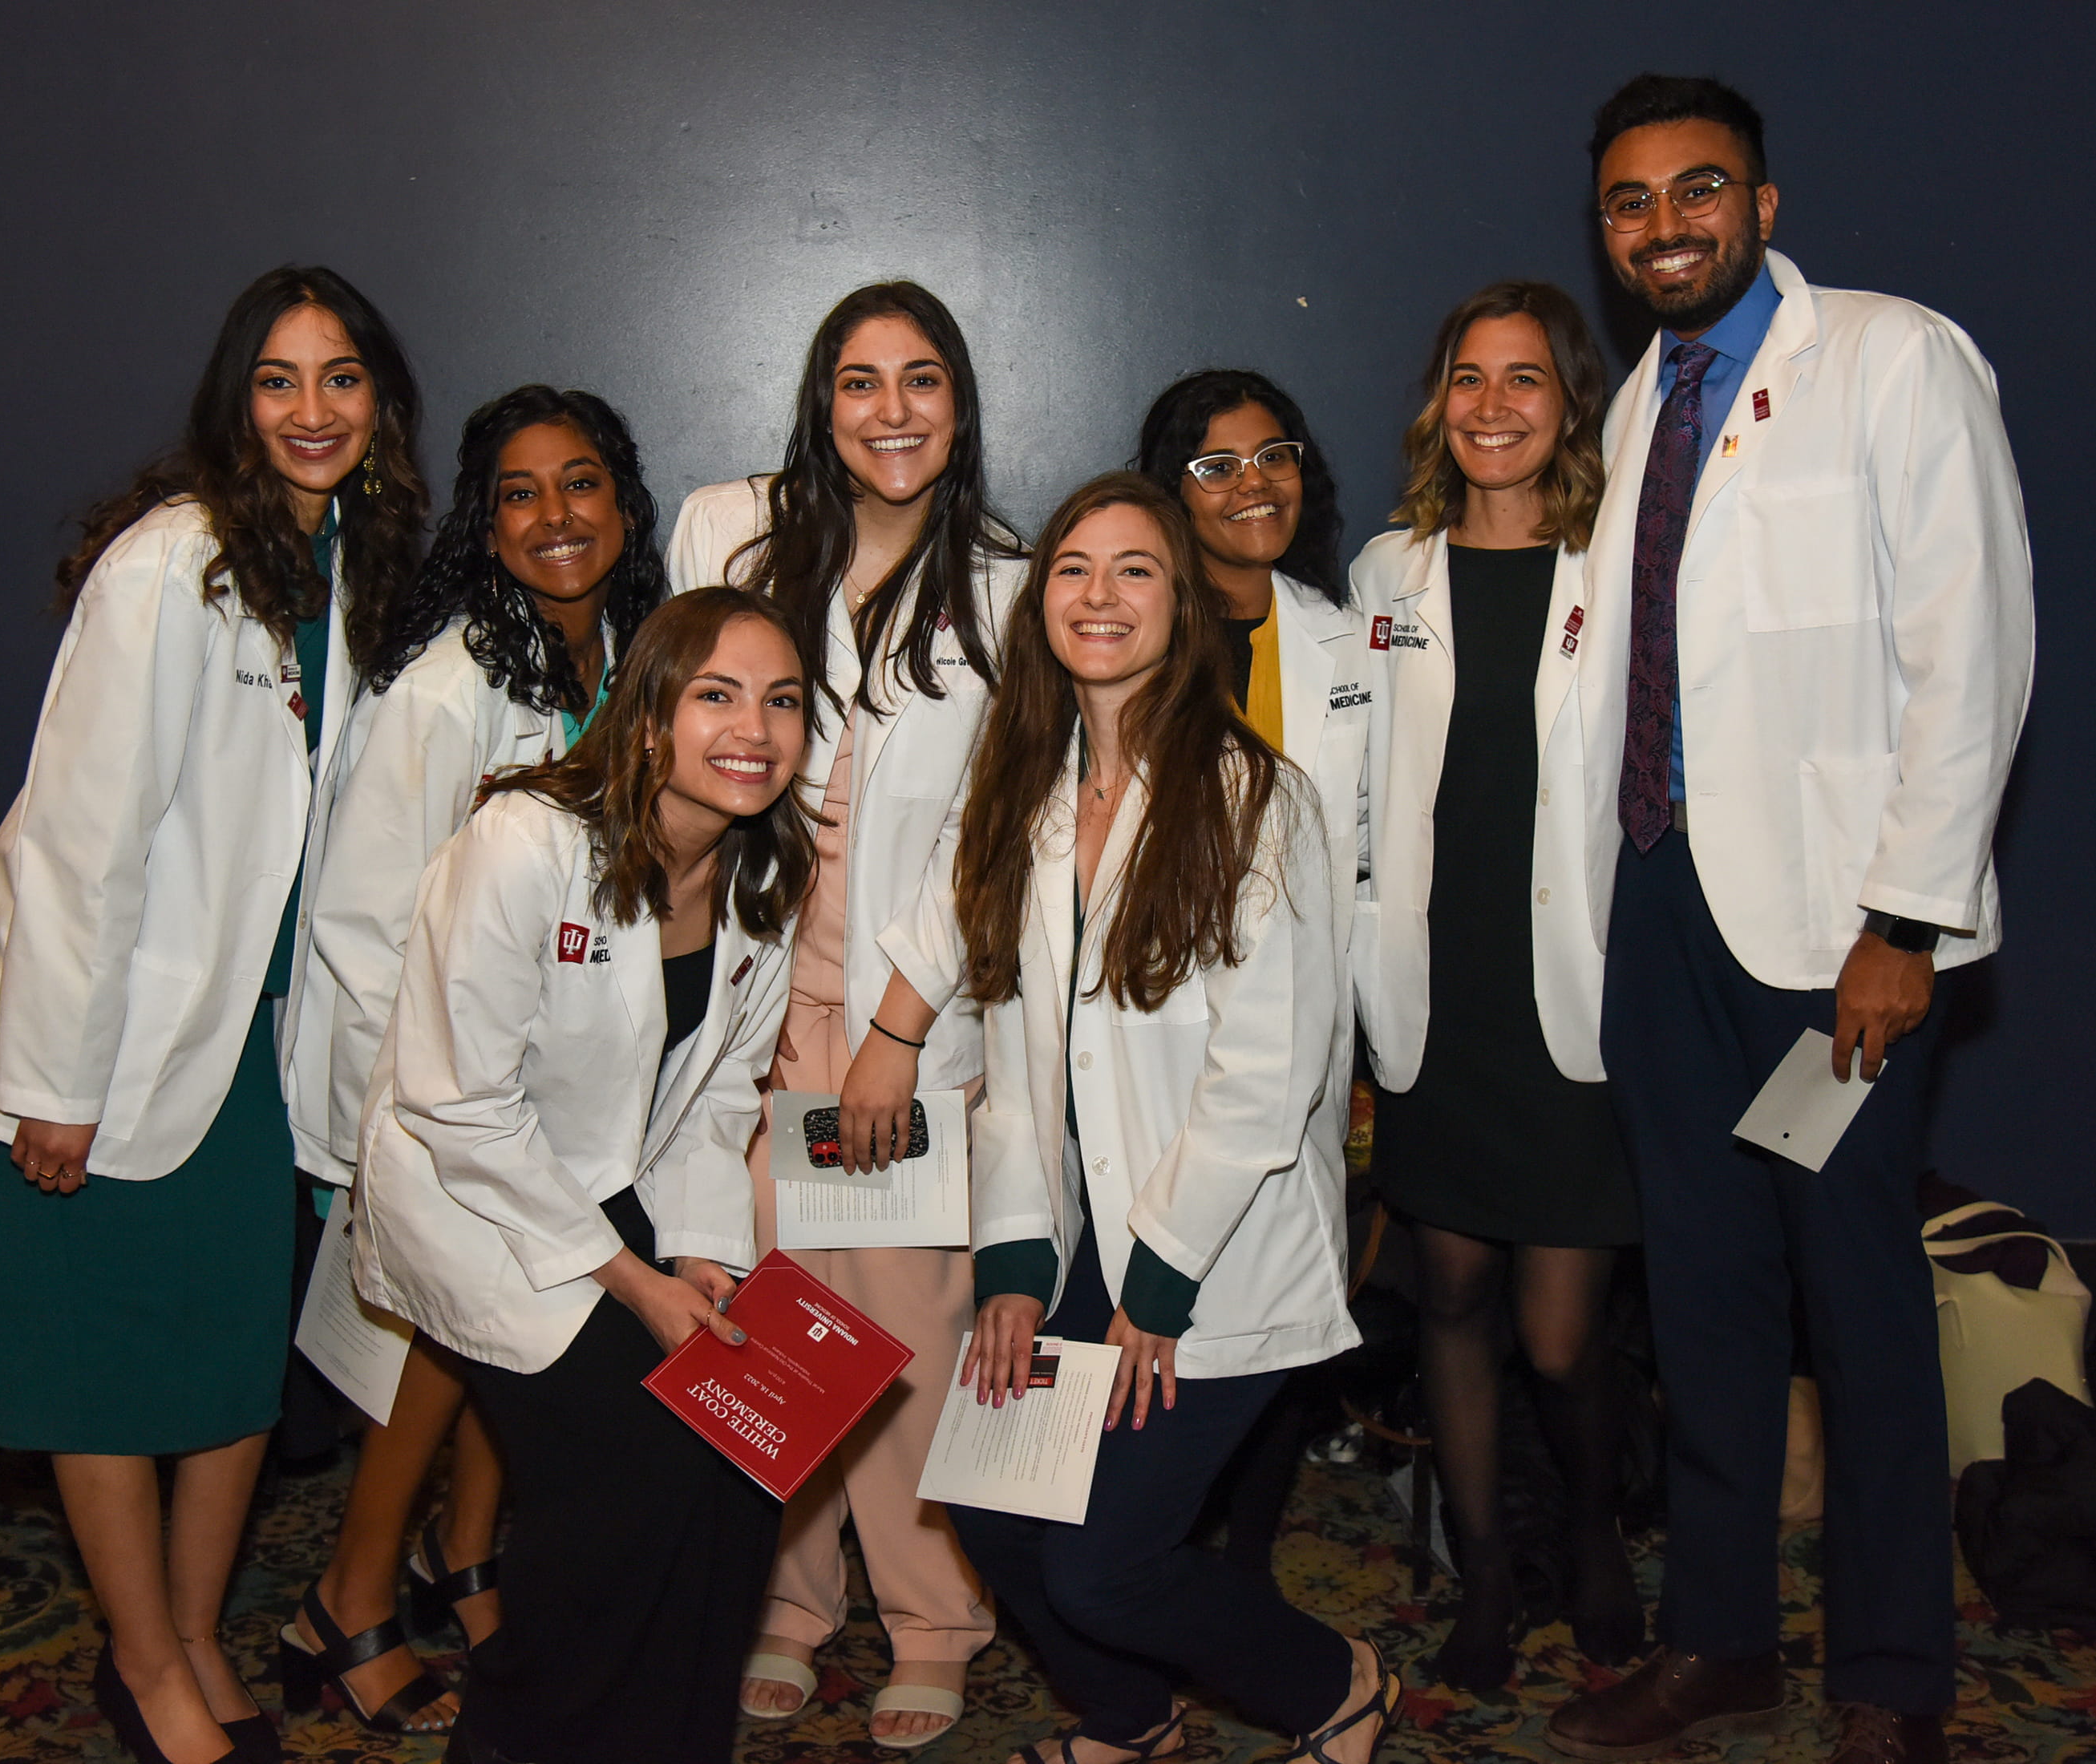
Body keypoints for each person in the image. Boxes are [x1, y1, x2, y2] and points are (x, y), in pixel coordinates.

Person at [1541, 76, 2033, 1764]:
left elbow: (1973, 648)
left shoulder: (1896, 357)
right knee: (1705, 1298)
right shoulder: (1635, 407)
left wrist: (1904, 914)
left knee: (1859, 1299)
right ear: (1604, 229)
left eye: (1698, 190)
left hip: (1835, 937)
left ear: (1763, 200)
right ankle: (1723, 1643)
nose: (1663, 224)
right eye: (1630, 202)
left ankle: (1894, 1674)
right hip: (1663, 904)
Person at [0, 265, 428, 1764]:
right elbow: (84, 849)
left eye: (342, 379)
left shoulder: (347, 567)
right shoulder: (171, 564)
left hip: (247, 1047)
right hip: (100, 1044)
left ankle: (198, 1637)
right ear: (235, 402)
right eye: (279, 380)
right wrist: (59, 1084)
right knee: (103, 1369)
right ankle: (143, 1663)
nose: (313, 410)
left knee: (222, 1371)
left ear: (381, 406)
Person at [880, 473, 1399, 1764]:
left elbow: (1267, 1081)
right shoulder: (1024, 796)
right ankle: (1131, 1723)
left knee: (1107, 1572)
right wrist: (1010, 1267)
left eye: (1134, 572)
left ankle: (1335, 1681)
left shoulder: (1250, 798)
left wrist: (1156, 1286)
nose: (1098, 597)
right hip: (1066, 1240)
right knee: (991, 1512)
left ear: (1182, 606)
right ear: (1039, 600)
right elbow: (1014, 1062)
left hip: (1203, 1253)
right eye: (1073, 570)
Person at [349, 587, 814, 1764]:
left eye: (782, 701)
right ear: (649, 712)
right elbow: (456, 1102)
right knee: (628, 1496)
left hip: (628, 1189)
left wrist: (704, 1257)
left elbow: (718, 1096)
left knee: (750, 1467)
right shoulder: (526, 841)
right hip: (479, 1195)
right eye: (716, 694)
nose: (752, 727)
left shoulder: (761, 875)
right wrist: (642, 1285)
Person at [277, 385, 668, 1732]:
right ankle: (347, 1596)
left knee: (532, 1325)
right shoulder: (448, 686)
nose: (556, 516)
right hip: (441, 1088)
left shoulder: (626, 659)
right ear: (483, 521)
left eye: (581, 484)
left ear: (624, 503)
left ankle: (469, 1554)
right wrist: (444, 1111)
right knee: (446, 1344)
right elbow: (361, 922)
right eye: (520, 491)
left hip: (559, 1082)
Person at [666, 280, 1022, 1750]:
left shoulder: (1007, 585)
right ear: (822, 402)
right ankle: (791, 1605)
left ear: (960, 404)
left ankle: (935, 1620)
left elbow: (993, 835)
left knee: (904, 1327)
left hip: (900, 1018)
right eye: (862, 382)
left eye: (923, 380)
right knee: (761, 1313)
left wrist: (893, 1030)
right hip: (752, 1006)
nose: (893, 411)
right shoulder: (736, 538)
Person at [1351, 281, 1644, 1691]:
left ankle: (1591, 1539)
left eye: (1525, 380)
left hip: (1573, 995)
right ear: (1437, 401)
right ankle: (1484, 1583)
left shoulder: (1625, 566)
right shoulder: (1385, 578)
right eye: (1469, 378)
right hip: (1432, 991)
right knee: (1452, 1298)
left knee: (1561, 1330)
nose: (1493, 406)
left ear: (1570, 401)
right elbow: (1352, 796)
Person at [1130, 369, 1374, 1577]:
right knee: (1155, 1278)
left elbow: (1371, 856)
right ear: (1169, 492)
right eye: (1215, 464)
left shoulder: (1340, 639)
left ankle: (1242, 1566)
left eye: (1273, 454)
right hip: (1149, 1034)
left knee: (1273, 1302)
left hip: (1298, 1037)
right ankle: (1147, 1550)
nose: (1251, 484)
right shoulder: (1130, 633)